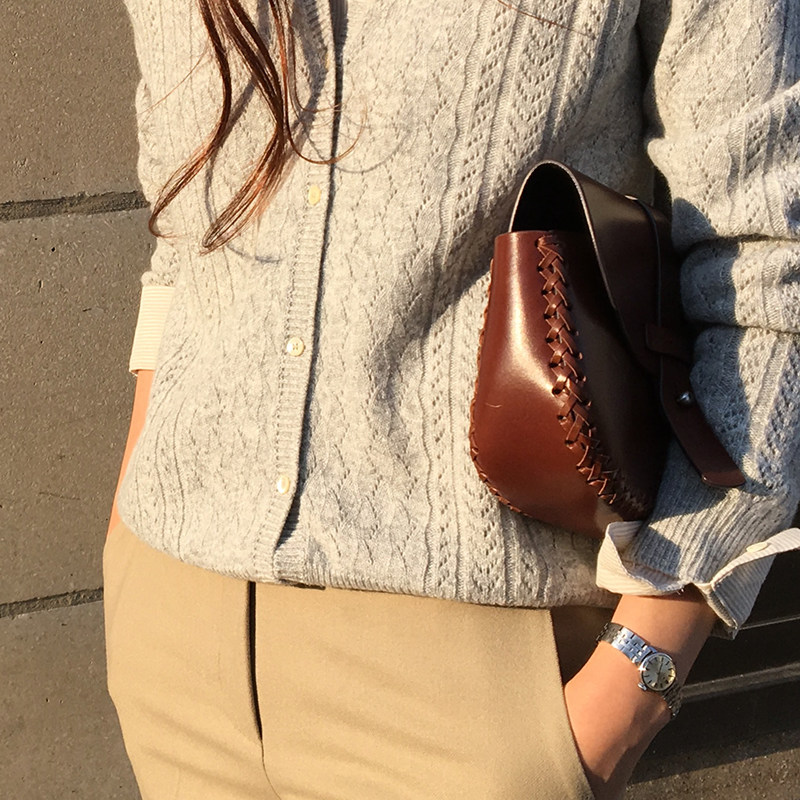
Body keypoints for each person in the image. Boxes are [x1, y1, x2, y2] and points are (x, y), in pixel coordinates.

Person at [104, 0, 800, 798]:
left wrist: (637, 675)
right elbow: (182, 245)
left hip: (476, 687)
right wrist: (128, 538)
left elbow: (767, 268)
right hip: (176, 649)